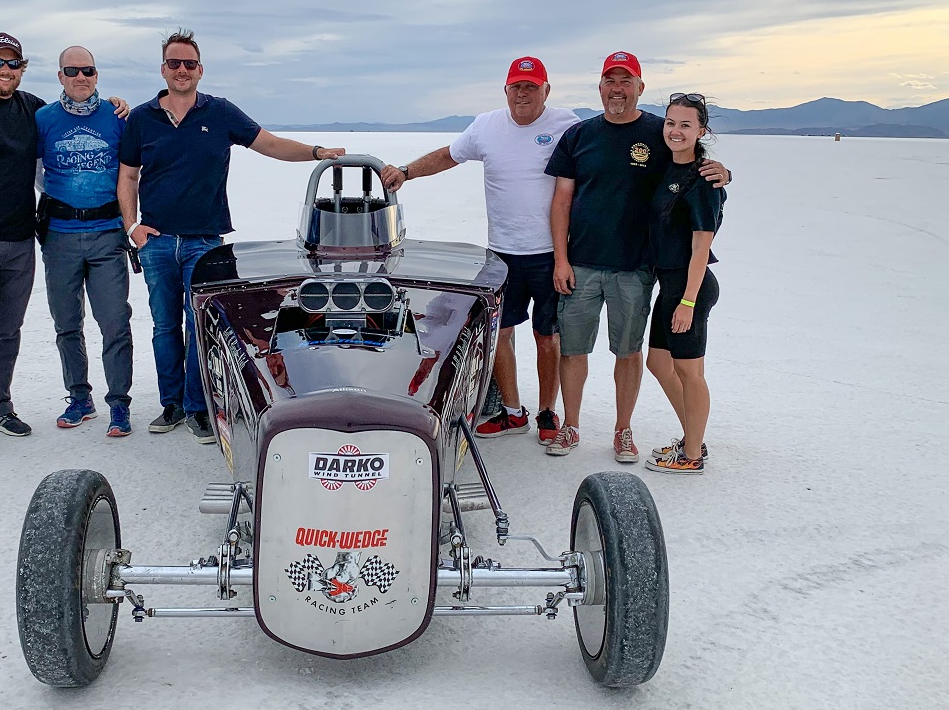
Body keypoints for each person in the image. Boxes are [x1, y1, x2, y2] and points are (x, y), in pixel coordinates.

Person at [117, 29, 344, 444]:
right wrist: (132, 227)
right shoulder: (142, 118)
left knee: (199, 324)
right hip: (158, 241)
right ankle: (171, 404)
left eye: (189, 64)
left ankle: (198, 407)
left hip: (204, 242)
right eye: (174, 63)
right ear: (163, 68)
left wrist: (315, 153)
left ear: (200, 70)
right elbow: (128, 175)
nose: (181, 70)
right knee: (165, 326)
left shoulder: (219, 113)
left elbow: (270, 144)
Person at [0, 33, 128, 458]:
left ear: (22, 69)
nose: (5, 70)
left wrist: (117, 104)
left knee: (7, 332)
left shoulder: (30, 109)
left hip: (20, 240)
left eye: (13, 63)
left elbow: (68, 122)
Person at [381, 56, 579, 443]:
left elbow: (608, 151)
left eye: (531, 87)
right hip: (502, 252)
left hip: (550, 253)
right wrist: (406, 172)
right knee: (500, 333)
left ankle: (546, 412)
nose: (523, 94)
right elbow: (447, 155)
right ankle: (511, 411)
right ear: (506, 90)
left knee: (546, 336)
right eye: (516, 87)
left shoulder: (566, 124)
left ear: (546, 91)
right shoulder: (487, 125)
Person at [545, 52, 729, 463]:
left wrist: (723, 172)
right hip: (581, 264)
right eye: (610, 79)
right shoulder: (579, 136)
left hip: (636, 267)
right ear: (600, 87)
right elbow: (561, 200)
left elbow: (693, 166)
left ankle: (623, 430)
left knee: (628, 352)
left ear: (639, 88)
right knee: (574, 350)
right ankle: (570, 425)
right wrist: (561, 258)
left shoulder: (659, 134)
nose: (617, 88)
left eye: (626, 80)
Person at [36, 46, 134, 439]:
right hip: (59, 237)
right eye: (72, 71)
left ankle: (119, 403)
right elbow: (36, 170)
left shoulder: (118, 116)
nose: (81, 77)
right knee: (66, 323)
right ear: (60, 76)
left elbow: (133, 170)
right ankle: (79, 397)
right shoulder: (43, 118)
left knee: (114, 321)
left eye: (88, 70)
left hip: (107, 234)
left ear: (97, 75)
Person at [643, 93, 725, 474]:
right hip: (669, 284)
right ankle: (693, 434)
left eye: (686, 125)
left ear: (701, 131)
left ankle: (692, 454)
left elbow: (699, 248)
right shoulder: (668, 168)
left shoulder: (703, 181)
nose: (675, 131)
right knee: (659, 362)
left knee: (690, 372)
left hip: (689, 286)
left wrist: (688, 302)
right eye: (671, 123)